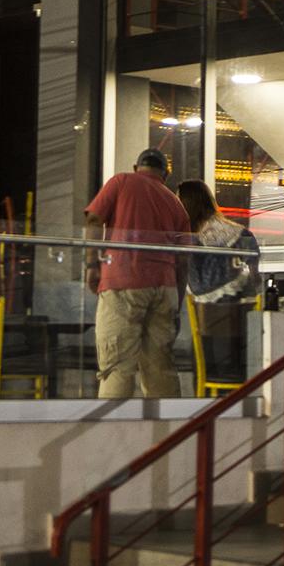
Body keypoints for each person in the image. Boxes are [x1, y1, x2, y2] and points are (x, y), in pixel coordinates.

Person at [82, 149, 191, 399]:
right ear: (166, 173)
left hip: (123, 282)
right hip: (165, 288)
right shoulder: (176, 204)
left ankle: (114, 432)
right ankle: (169, 432)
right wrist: (177, 303)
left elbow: (94, 220)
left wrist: (92, 265)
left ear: (136, 167)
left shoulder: (121, 181)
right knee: (160, 367)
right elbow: (183, 260)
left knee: (117, 365)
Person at [175, 180, 259, 387]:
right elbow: (257, 279)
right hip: (244, 329)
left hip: (207, 333)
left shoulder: (190, 241)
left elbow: (195, 287)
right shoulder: (242, 235)